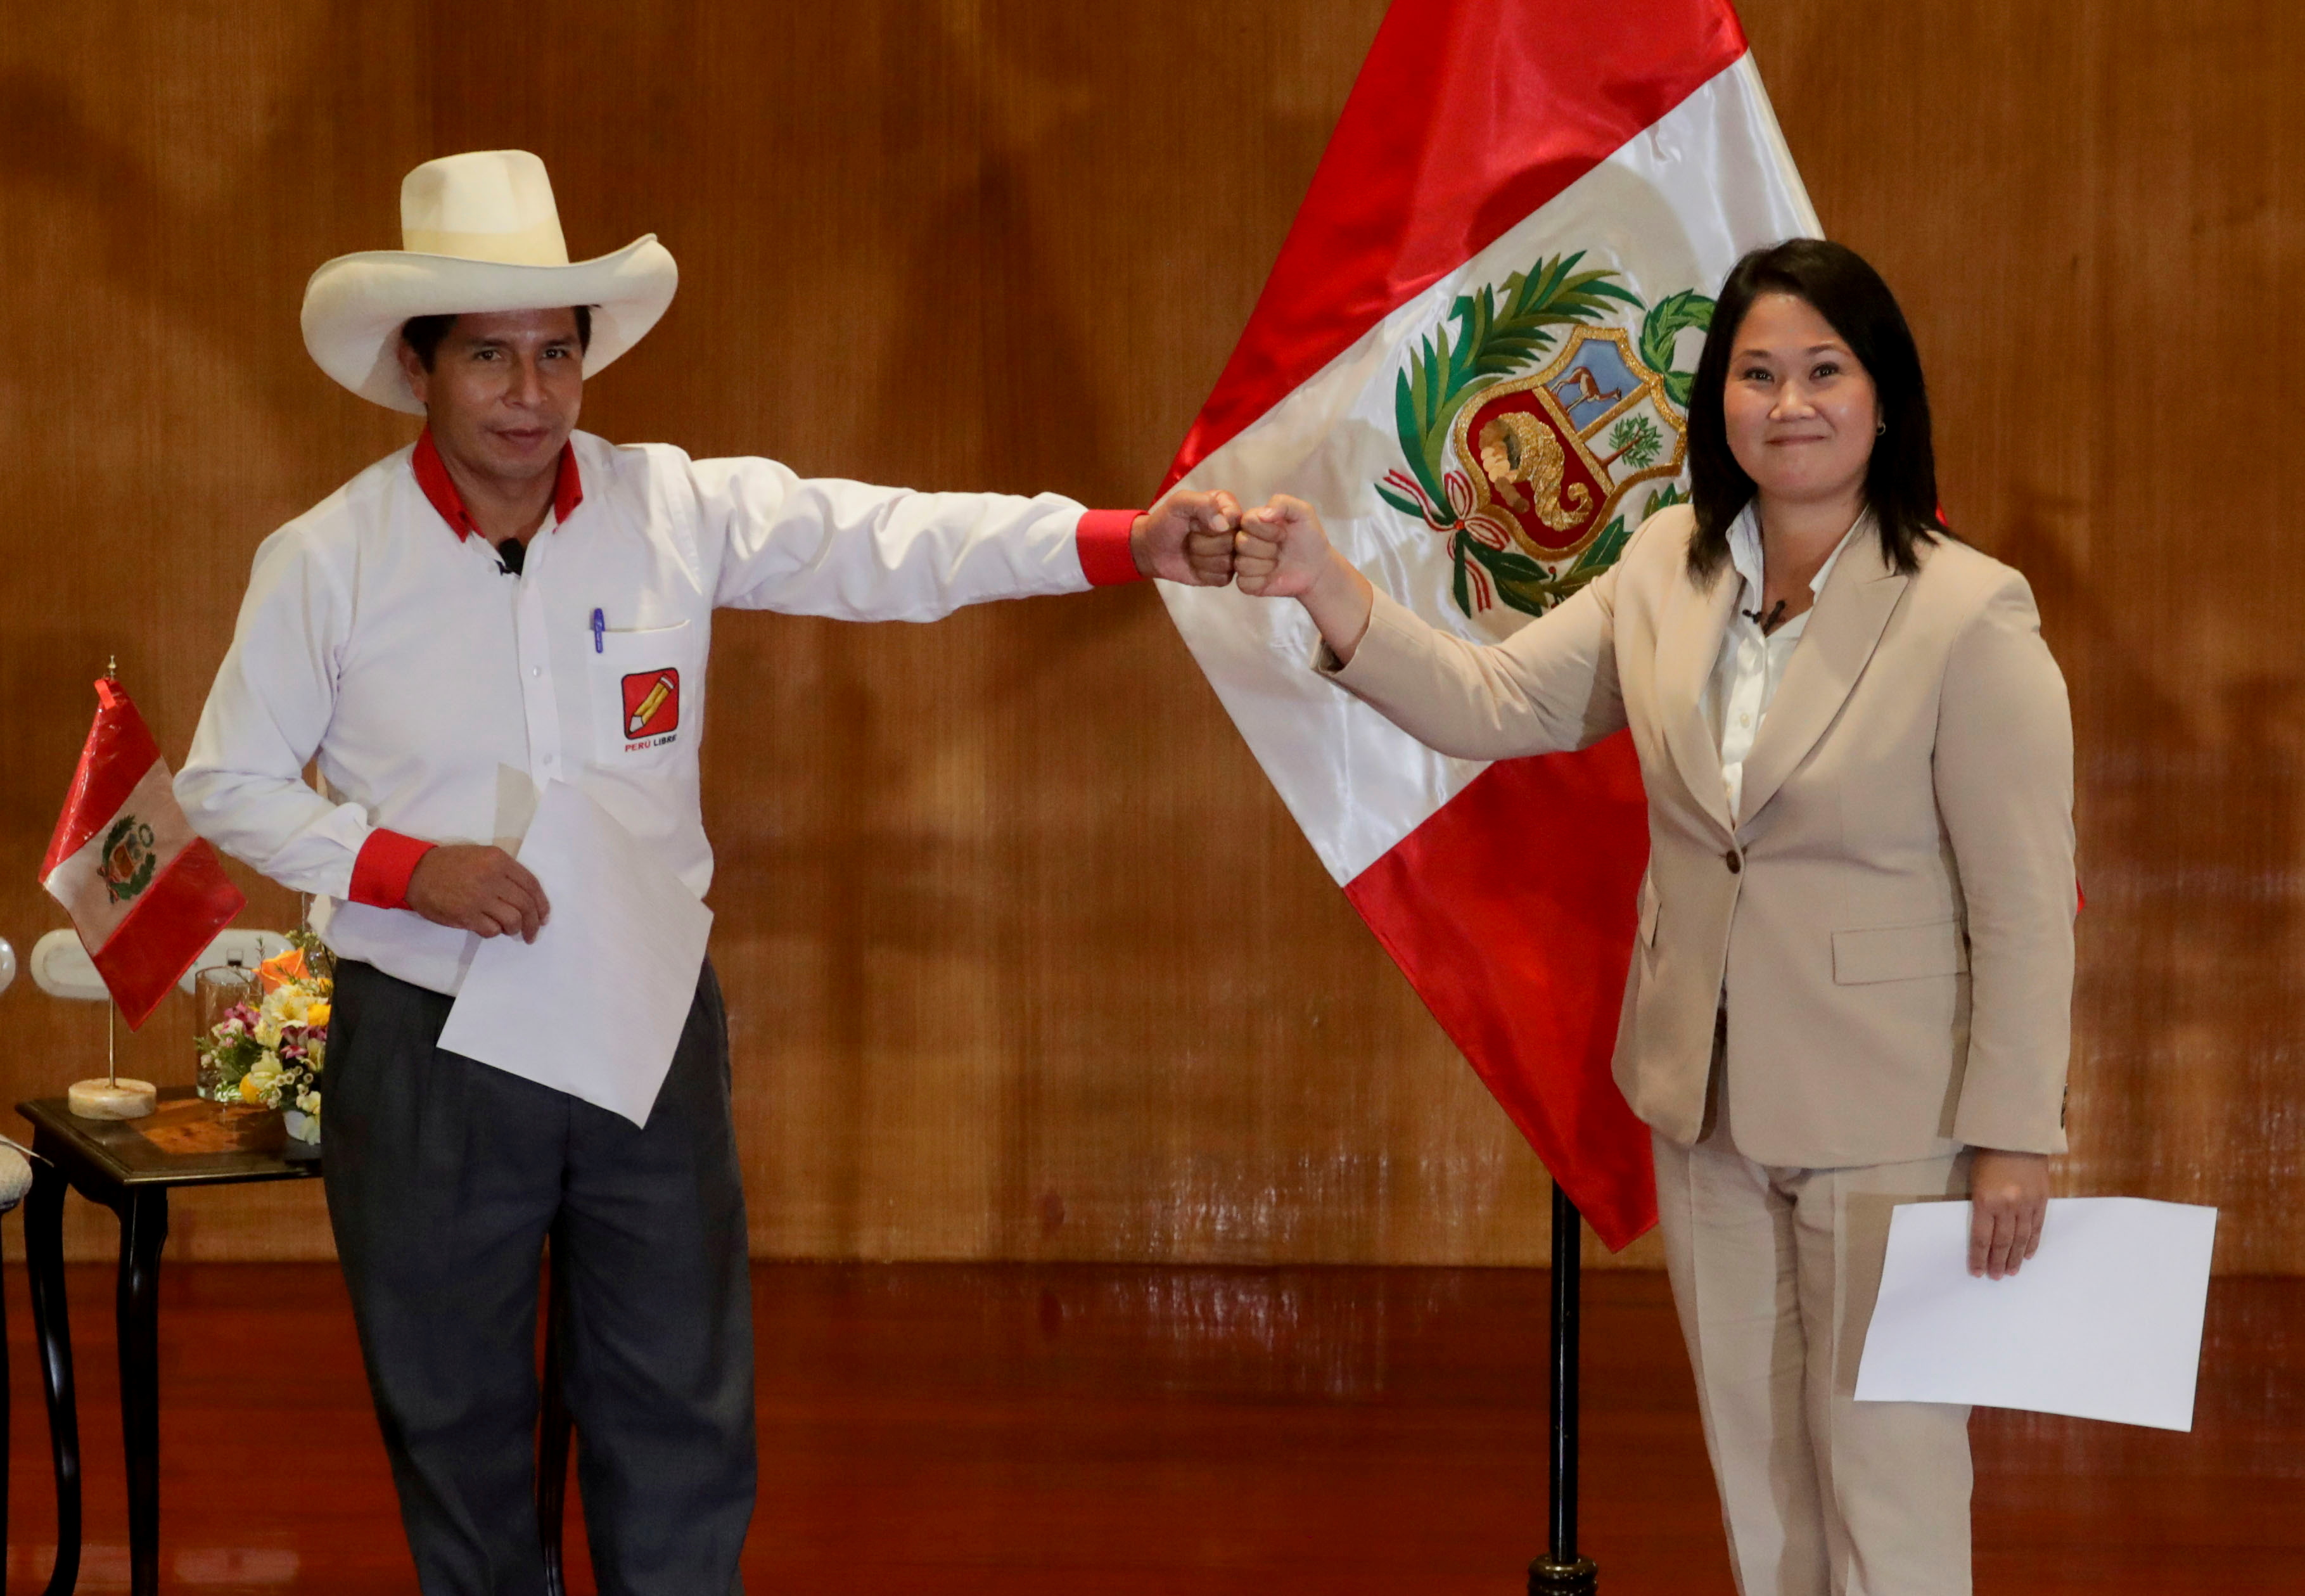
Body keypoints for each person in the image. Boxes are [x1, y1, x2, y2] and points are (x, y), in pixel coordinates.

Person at [176, 149, 1238, 1596]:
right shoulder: (325, 558)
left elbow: (892, 540)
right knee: (456, 1422)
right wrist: (398, 865)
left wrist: (1122, 540)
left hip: (643, 1025)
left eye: (558, 355)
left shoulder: (670, 506)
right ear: (417, 365)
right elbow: (224, 780)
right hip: (427, 1041)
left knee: (676, 1404)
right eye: (489, 356)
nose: (530, 395)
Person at [1227, 238, 2073, 1595]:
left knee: (1889, 1481)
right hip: (1704, 1105)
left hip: (1895, 1121)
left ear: (1882, 396)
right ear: (1716, 401)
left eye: (1822, 372)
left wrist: (2015, 1140)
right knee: (1760, 1484)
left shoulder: (1970, 612)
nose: (1786, 404)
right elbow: (1492, 704)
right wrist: (1329, 588)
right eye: (1755, 374)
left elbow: (2026, 905)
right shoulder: (1664, 565)